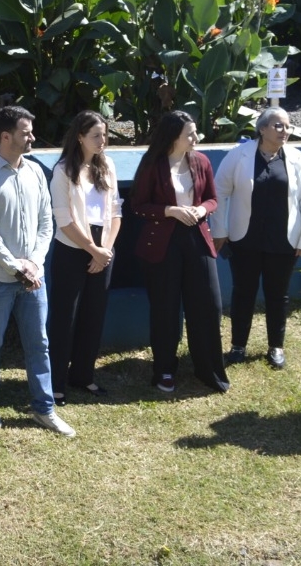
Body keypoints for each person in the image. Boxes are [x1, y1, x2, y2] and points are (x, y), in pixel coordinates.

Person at [0, 105, 76, 436]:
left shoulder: (35, 173)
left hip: (34, 278)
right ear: (5, 136)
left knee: (39, 343)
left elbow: (47, 221)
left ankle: (44, 408)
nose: (32, 136)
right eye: (25, 131)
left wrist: (35, 262)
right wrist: (17, 267)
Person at [129, 110, 230, 394]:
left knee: (208, 305)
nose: (196, 138)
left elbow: (212, 198)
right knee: (166, 308)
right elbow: (138, 204)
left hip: (197, 239)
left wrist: (201, 209)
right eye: (190, 133)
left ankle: (208, 368)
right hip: (162, 243)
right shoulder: (152, 164)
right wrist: (169, 211)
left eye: (195, 132)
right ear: (174, 136)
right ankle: (164, 370)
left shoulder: (201, 161)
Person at [212, 107, 301, 370]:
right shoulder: (239, 155)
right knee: (243, 293)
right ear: (262, 129)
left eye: (288, 126)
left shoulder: (297, 158)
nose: (285, 131)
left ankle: (276, 347)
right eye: (279, 126)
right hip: (244, 239)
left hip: (284, 242)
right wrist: (220, 232)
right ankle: (238, 346)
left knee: (277, 295)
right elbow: (219, 192)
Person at [48, 110, 122, 405]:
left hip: (103, 247)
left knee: (94, 314)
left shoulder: (108, 166)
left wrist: (106, 251)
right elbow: (64, 220)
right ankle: (56, 382)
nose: (102, 140)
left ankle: (83, 375)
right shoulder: (63, 170)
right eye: (96, 135)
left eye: (104, 134)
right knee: (65, 318)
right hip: (73, 247)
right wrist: (93, 249)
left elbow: (115, 211)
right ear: (80, 137)